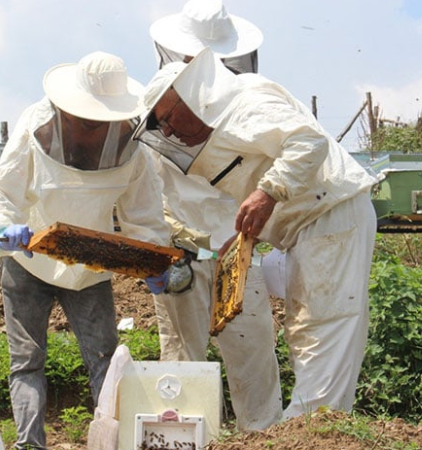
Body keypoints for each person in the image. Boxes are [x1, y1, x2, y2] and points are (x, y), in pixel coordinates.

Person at [136, 47, 378, 423]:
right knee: (305, 332)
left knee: (324, 330)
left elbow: (308, 142)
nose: (167, 131)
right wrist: (246, 238)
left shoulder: (245, 102)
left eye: (166, 118)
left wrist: (267, 192)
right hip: (308, 228)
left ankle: (312, 433)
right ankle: (308, 431)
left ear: (188, 95)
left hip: (331, 218)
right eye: (159, 126)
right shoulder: (226, 117)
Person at [0, 51, 171, 450]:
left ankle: (112, 443)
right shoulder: (34, 126)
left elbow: (144, 215)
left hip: (90, 267)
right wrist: (0, 229)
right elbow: (0, 195)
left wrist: (154, 258)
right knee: (26, 361)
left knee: (104, 360)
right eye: (88, 121)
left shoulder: (133, 147)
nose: (97, 130)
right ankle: (29, 444)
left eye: (105, 123)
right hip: (29, 262)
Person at [147, 0, 284, 431]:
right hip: (181, 253)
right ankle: (182, 437)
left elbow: (271, 173)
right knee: (181, 362)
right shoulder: (158, 100)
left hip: (240, 250)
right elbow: (147, 188)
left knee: (253, 356)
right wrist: (164, 244)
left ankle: (261, 438)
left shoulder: (247, 99)